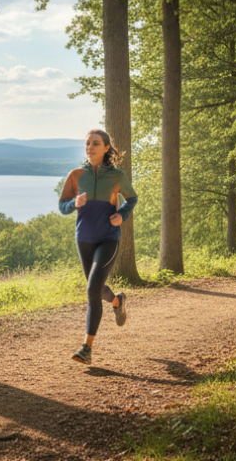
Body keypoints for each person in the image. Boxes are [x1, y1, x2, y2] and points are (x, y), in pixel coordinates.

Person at [58, 129, 138, 365]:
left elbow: (132, 198)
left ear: (106, 148)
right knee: (96, 287)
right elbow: (62, 206)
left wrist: (121, 215)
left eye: (95, 143)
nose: (90, 147)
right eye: (87, 144)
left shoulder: (116, 176)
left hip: (108, 237)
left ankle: (86, 348)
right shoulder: (76, 175)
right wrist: (74, 203)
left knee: (92, 288)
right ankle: (117, 301)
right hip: (83, 238)